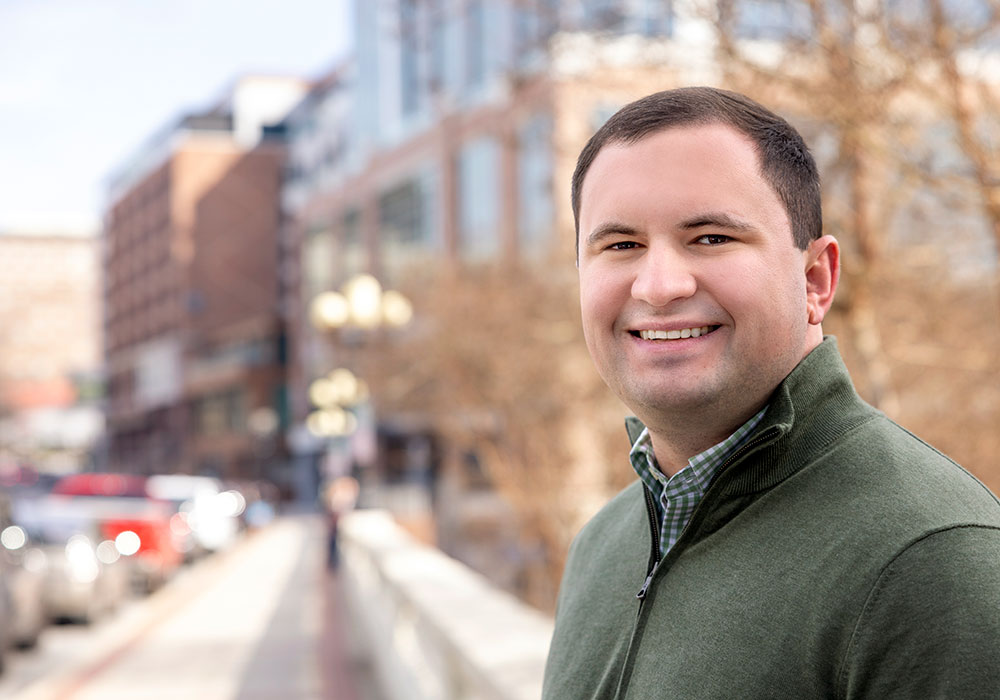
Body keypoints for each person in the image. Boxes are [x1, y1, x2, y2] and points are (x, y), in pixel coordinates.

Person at [542, 86, 1000, 699]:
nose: (658, 286)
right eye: (620, 245)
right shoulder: (601, 547)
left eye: (711, 237)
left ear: (815, 279)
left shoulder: (934, 560)